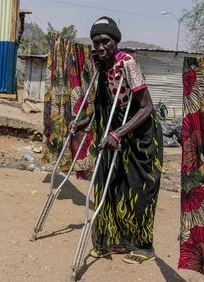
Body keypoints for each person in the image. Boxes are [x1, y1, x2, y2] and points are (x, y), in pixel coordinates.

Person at [70, 17, 164, 264]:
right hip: (115, 130)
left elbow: (147, 107)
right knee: (110, 185)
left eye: (105, 41)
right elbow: (104, 106)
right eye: (96, 42)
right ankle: (111, 241)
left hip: (140, 134)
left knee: (137, 189)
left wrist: (119, 133)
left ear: (115, 41)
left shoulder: (128, 64)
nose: (100, 47)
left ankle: (143, 247)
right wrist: (85, 122)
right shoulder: (101, 66)